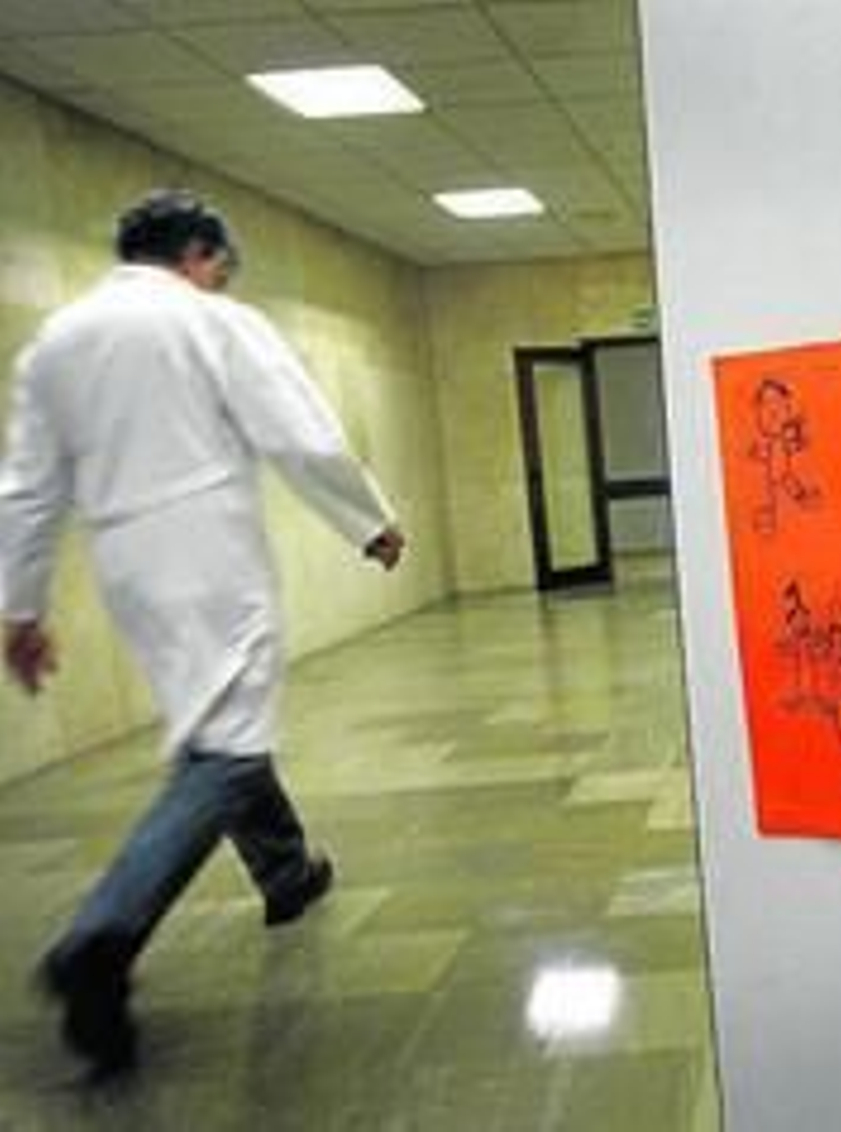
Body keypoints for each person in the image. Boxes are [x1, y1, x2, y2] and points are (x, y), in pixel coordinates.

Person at [0, 189, 407, 1076]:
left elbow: (26, 488)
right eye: (220, 267)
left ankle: (287, 873)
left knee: (221, 724)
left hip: (127, 566)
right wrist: (369, 520)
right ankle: (104, 935)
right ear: (196, 253)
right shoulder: (212, 323)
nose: (222, 281)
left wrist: (20, 607)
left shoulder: (57, 343)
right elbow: (301, 434)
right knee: (222, 748)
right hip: (209, 556)